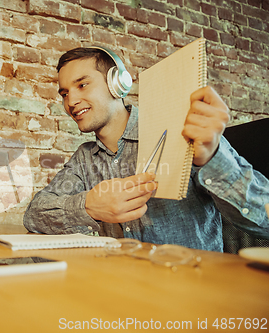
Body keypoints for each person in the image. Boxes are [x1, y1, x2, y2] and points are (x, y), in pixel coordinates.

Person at [23, 47, 269, 251]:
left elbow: (265, 219)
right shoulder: (85, 158)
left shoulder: (184, 130)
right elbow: (35, 213)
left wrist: (213, 158)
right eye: (64, 93)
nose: (71, 102)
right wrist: (87, 206)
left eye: (82, 85)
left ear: (118, 84)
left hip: (191, 293)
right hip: (123, 293)